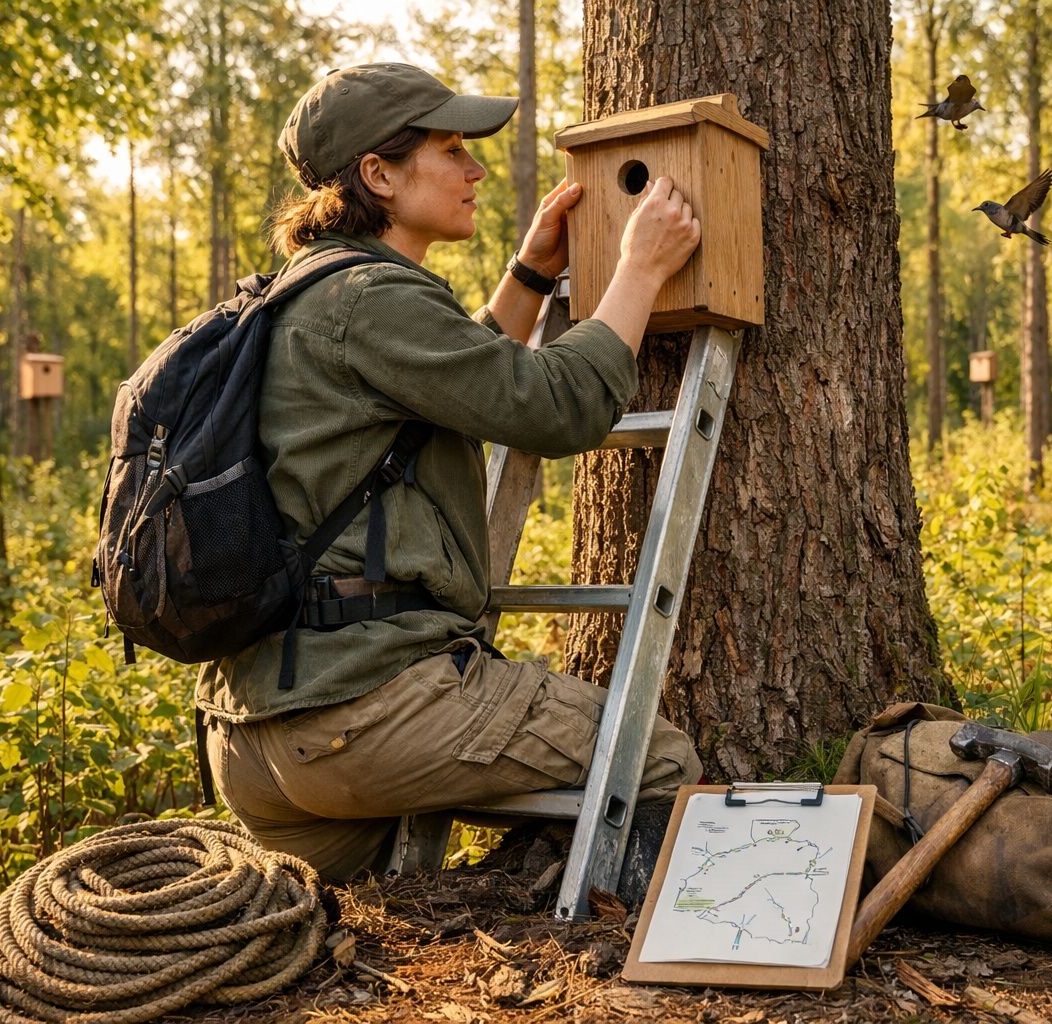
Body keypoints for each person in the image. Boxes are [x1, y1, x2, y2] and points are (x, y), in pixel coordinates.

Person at [197, 62, 704, 883]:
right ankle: (643, 969)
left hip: (257, 739)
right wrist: (639, 270)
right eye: (452, 150)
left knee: (367, 899)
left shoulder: (305, 292)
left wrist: (531, 276)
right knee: (654, 758)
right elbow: (554, 405)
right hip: (363, 717)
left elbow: (446, 384)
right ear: (380, 174)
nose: (474, 171)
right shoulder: (372, 299)